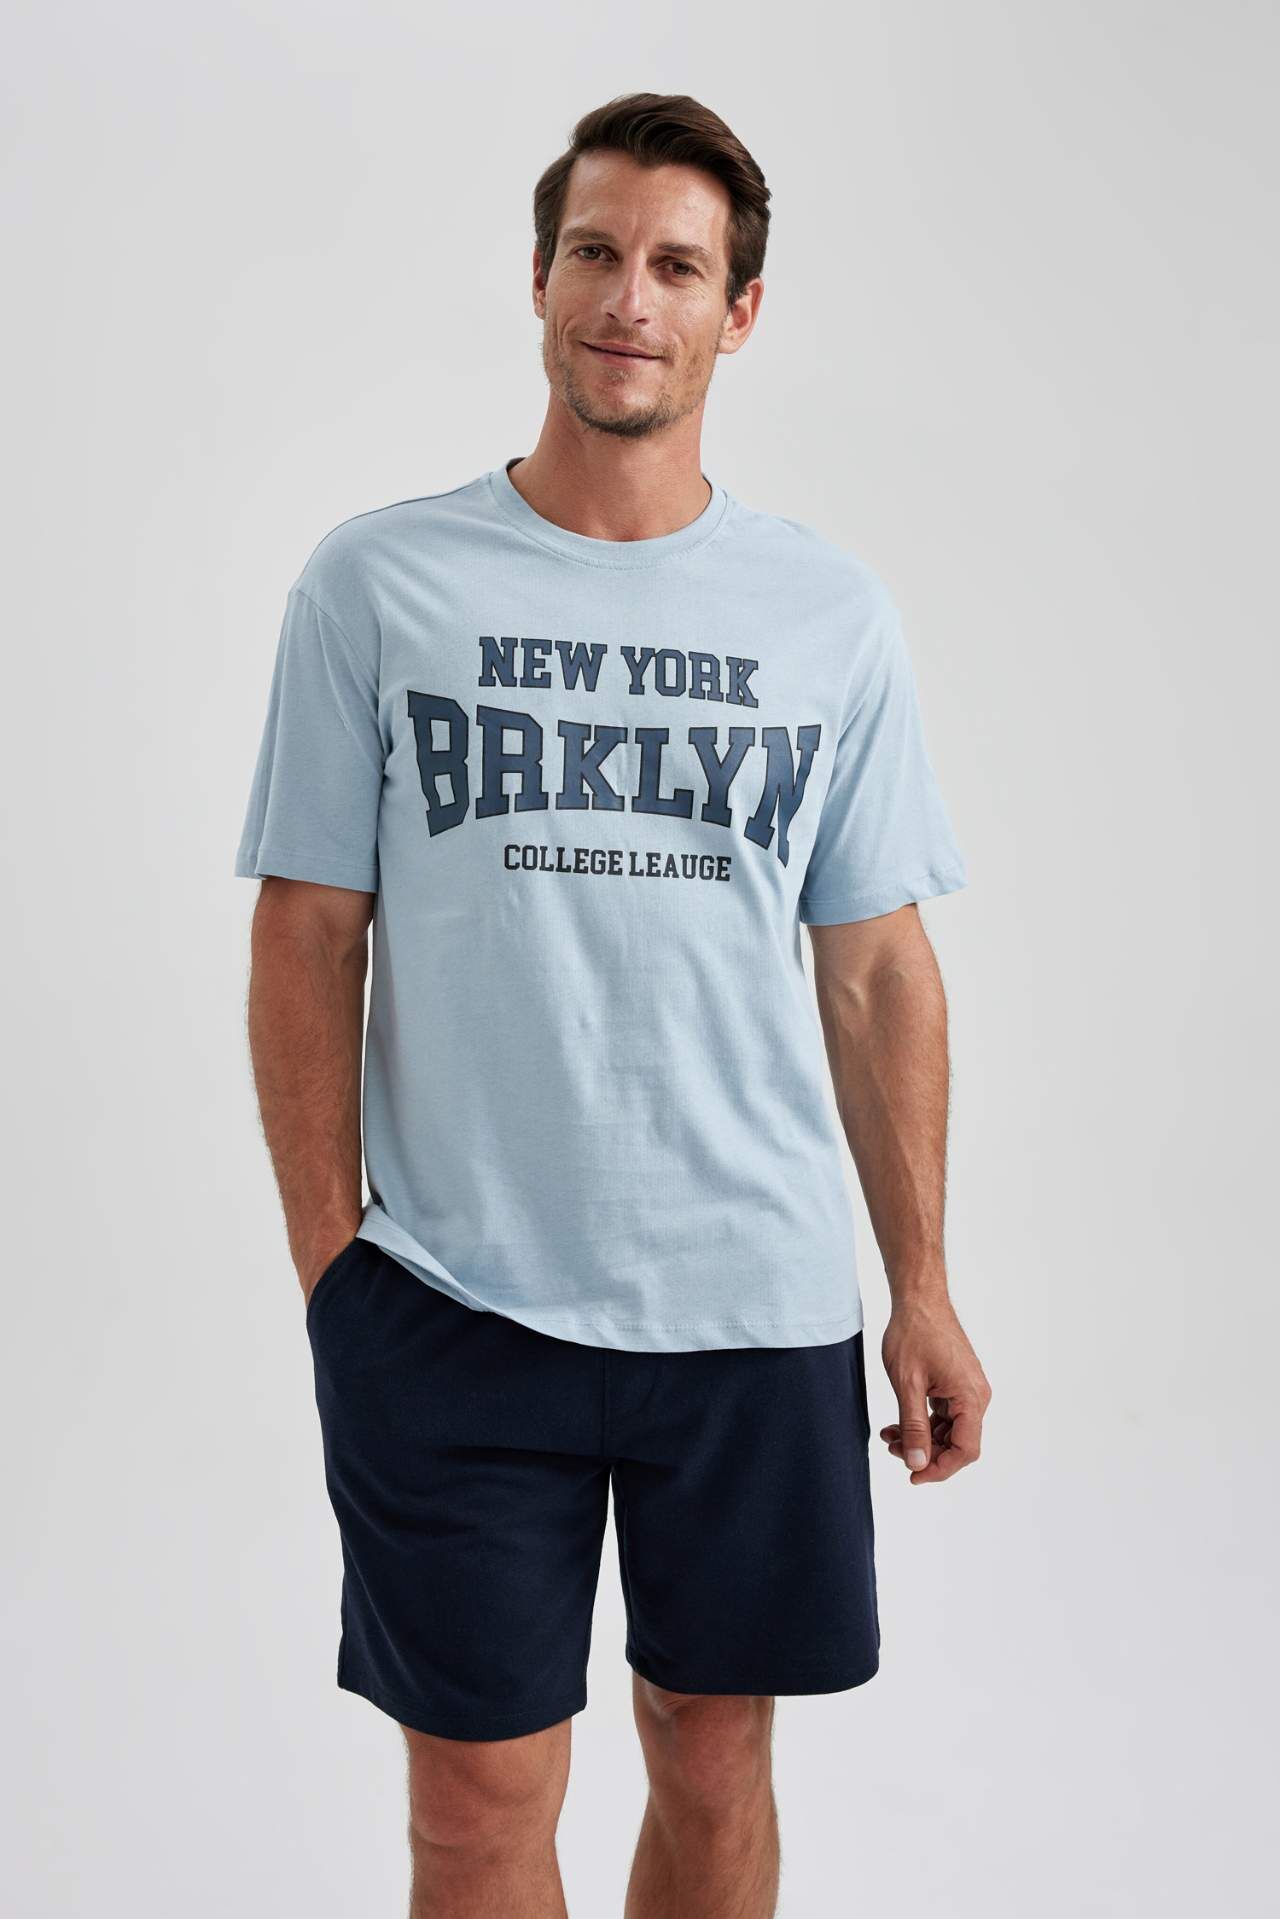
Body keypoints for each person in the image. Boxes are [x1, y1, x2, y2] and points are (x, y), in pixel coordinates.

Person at [234, 89, 992, 1919]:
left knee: (715, 1771)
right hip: (452, 1302)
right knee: (474, 1809)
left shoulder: (827, 615)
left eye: (676, 266)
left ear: (740, 312)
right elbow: (307, 936)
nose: (627, 299)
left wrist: (922, 1284)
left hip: (752, 1307)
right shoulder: (379, 583)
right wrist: (334, 1271)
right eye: (595, 252)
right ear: (539, 279)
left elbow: (877, 964)